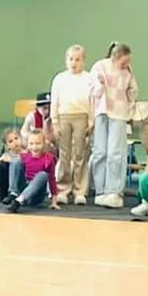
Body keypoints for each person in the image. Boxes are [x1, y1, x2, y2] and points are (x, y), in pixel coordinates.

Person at [90, 42, 138, 208]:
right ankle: (100, 190)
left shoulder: (128, 71)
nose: (126, 64)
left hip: (119, 113)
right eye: (124, 61)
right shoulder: (99, 66)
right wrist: (100, 85)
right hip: (102, 112)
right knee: (100, 151)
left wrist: (131, 105)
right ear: (115, 57)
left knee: (115, 153)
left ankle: (114, 191)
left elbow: (133, 91)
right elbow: (93, 91)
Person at [50, 44, 94, 205]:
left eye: (77, 59)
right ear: (66, 60)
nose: (74, 63)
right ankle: (63, 188)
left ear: (83, 61)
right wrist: (55, 122)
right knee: (64, 154)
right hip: (64, 117)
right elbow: (54, 101)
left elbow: (92, 101)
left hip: (81, 117)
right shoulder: (59, 79)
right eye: (71, 59)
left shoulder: (89, 78)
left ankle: (80, 190)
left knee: (80, 154)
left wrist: (91, 120)